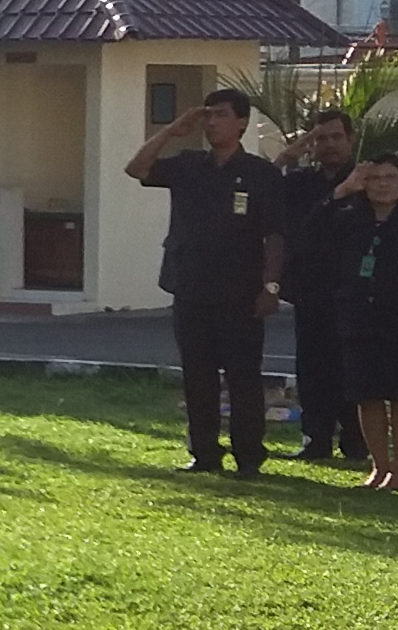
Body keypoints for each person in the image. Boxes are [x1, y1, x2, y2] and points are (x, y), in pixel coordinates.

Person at [122, 91, 286, 475]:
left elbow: (276, 235)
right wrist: (170, 132)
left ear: (242, 123)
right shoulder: (188, 165)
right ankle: (204, 453)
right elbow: (136, 169)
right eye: (208, 116)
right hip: (192, 285)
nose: (212, 123)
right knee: (198, 377)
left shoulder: (261, 174)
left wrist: (272, 286)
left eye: (222, 116)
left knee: (243, 378)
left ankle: (249, 456)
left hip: (241, 291)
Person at [314, 156, 398, 492]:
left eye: (390, 177)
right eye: (374, 178)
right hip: (358, 317)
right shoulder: (350, 220)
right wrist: (342, 191)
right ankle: (379, 467)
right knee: (367, 396)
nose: (382, 184)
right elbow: (309, 232)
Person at [274, 108, 370, 465]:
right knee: (313, 367)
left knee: (351, 367)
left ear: (350, 139)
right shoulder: (300, 182)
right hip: (311, 287)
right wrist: (286, 156)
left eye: (335, 137)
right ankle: (316, 438)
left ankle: (357, 440)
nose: (328, 145)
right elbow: (266, 189)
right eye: (320, 138)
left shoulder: (367, 179)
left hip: (355, 289)